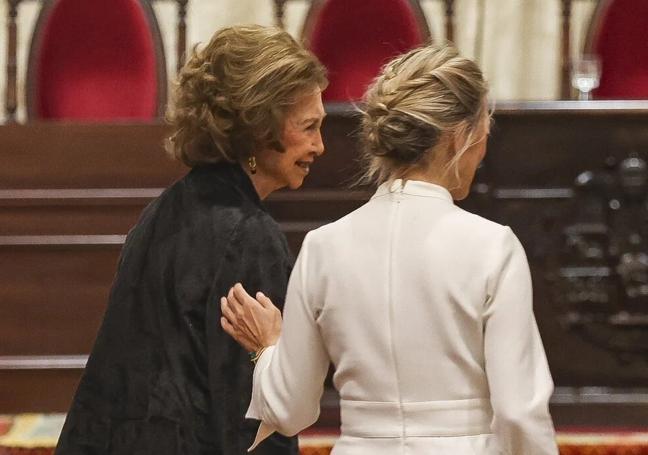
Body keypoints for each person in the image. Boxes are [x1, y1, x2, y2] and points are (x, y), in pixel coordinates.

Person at [221, 44, 559, 454]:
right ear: (458, 137)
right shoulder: (493, 246)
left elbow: (290, 410)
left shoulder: (322, 248)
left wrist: (268, 348)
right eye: (485, 128)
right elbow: (518, 412)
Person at [55, 25, 327, 455]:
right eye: (308, 127)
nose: (320, 146)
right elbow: (254, 410)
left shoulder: (165, 209)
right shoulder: (249, 235)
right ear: (259, 127)